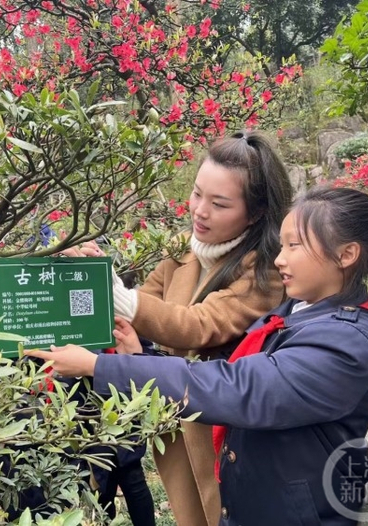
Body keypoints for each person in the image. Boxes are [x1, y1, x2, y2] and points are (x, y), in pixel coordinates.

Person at [28, 186, 368, 525]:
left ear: (346, 254)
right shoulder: (300, 313)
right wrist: (136, 355)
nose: (280, 259)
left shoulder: (346, 343)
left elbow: (239, 388)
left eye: (295, 246)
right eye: (282, 245)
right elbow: (233, 371)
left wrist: (99, 365)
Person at [81, 130, 292, 526]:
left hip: (226, 435)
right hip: (175, 423)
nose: (200, 211)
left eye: (219, 203)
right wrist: (90, 274)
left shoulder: (264, 272)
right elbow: (144, 304)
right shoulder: (183, 249)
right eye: (197, 194)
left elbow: (198, 326)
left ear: (256, 213)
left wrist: (116, 295)